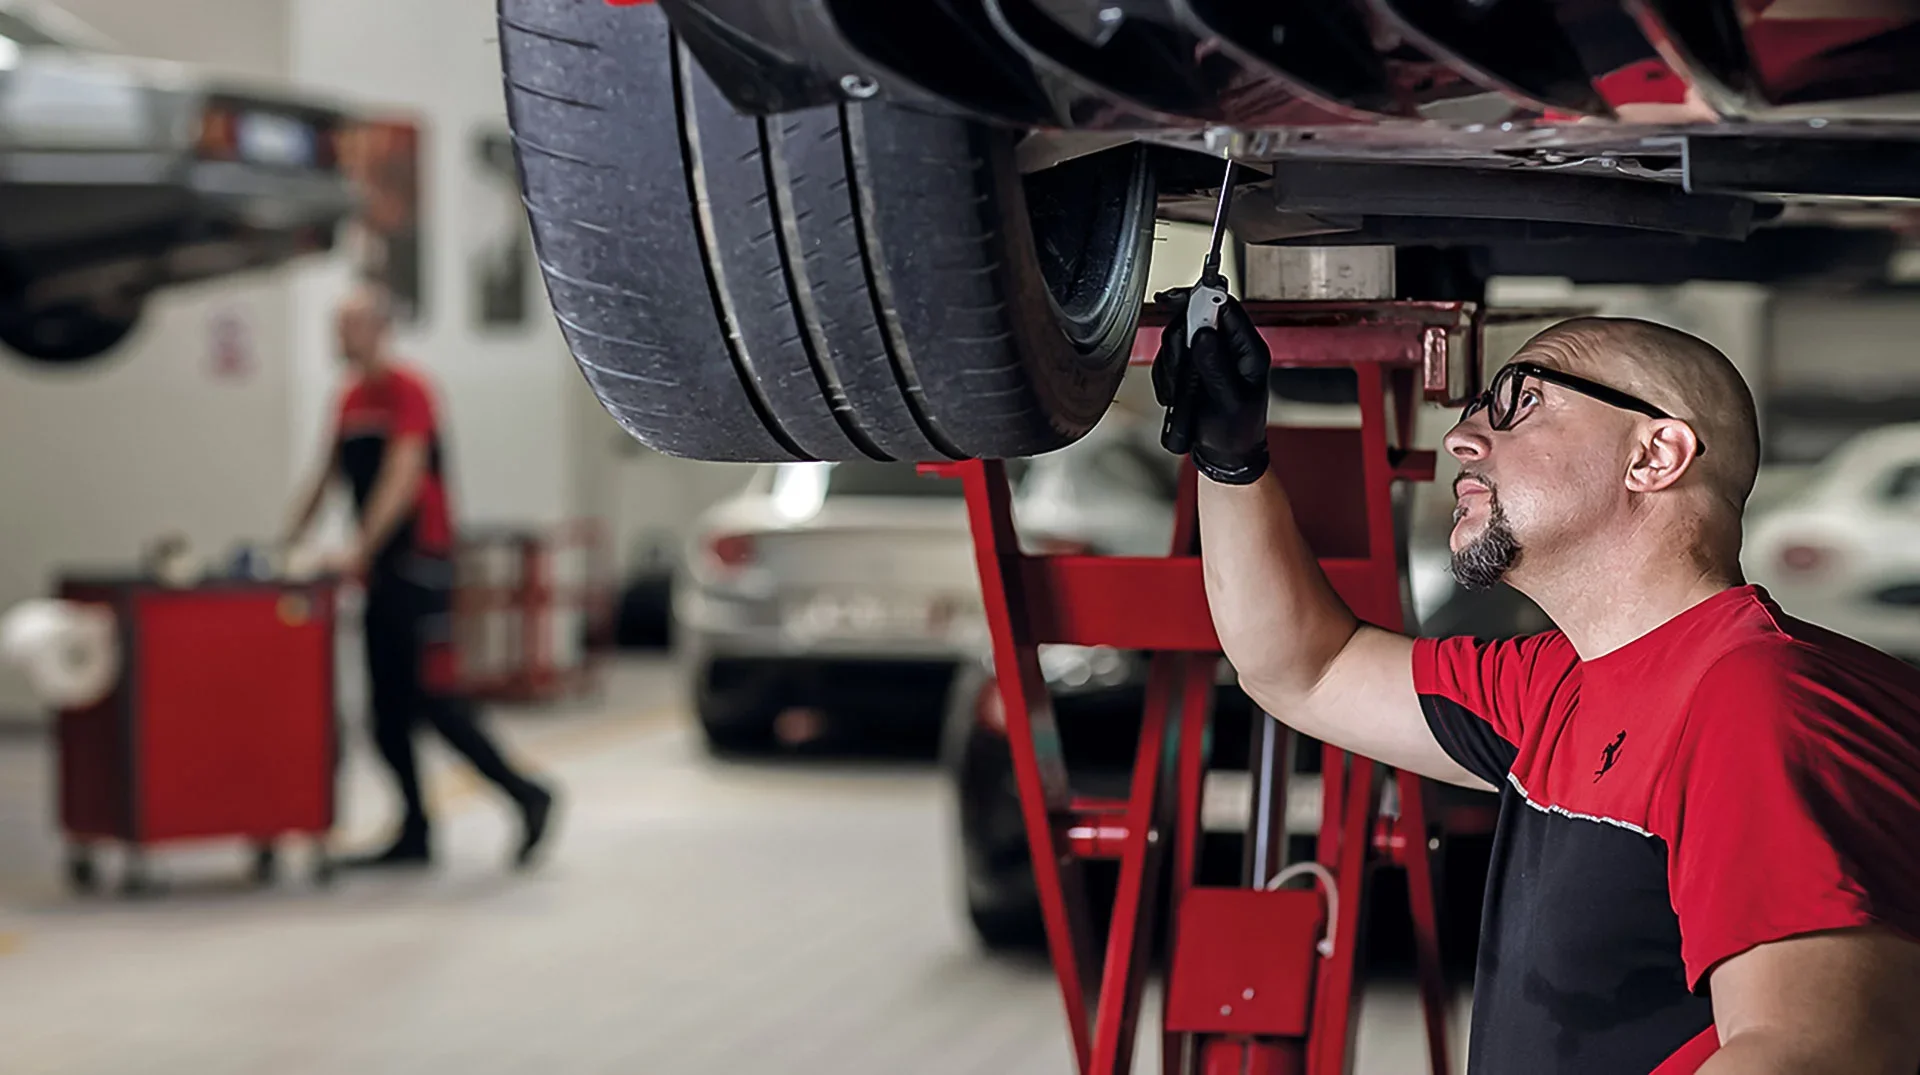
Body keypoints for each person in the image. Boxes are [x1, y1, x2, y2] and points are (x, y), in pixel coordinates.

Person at [1153, 294, 1920, 1074]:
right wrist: (1229, 458)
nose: (1461, 438)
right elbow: (1307, 670)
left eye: (1522, 403)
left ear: (1654, 455)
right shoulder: (1558, 686)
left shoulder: (1758, 700)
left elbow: (1815, 1050)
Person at [286, 282, 555, 870]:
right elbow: (325, 475)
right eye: (336, 325)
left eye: (350, 324)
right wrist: (287, 542)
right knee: (385, 711)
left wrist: (356, 549)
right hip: (380, 573)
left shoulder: (409, 390)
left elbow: (402, 476)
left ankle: (528, 794)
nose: (339, 336)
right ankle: (414, 830)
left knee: (435, 700)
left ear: (380, 328)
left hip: (420, 566)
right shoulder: (349, 398)